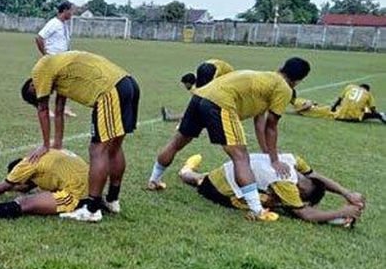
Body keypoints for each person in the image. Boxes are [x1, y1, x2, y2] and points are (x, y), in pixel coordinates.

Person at [147, 57, 311, 222]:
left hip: (200, 96)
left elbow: (259, 122)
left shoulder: (266, 79)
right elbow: (271, 126)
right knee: (241, 157)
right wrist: (275, 160)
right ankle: (257, 210)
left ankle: (154, 180)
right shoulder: (284, 88)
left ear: (281, 67)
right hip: (220, 103)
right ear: (298, 81)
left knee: (177, 142)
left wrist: (267, 153)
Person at [20, 51, 140, 223]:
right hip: (128, 84)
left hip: (109, 90)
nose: (45, 96)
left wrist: (45, 145)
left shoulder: (40, 71)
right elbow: (59, 109)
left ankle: (92, 209)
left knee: (97, 150)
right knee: (114, 147)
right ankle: (112, 200)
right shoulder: (59, 71)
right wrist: (57, 144)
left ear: (33, 86)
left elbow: (43, 110)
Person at [177, 153, 365, 226]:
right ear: (299, 192)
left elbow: (317, 176)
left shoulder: (293, 160)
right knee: (197, 181)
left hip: (232, 169)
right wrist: (341, 212)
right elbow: (305, 214)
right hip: (221, 187)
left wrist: (347, 193)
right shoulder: (287, 186)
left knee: (203, 178)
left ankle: (190, 171)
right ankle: (185, 170)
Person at [0, 149, 92, 220]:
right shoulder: (44, 156)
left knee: (23, 203)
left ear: (20, 179)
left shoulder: (25, 166)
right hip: (94, 190)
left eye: (16, 186)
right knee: (39, 197)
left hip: (78, 196)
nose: (16, 189)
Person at [36, 1, 77, 118]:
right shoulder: (53, 23)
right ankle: (45, 108)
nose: (72, 14)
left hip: (63, 61)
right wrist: (45, 54)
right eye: (71, 11)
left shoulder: (64, 25)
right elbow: (39, 37)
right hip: (53, 60)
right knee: (49, 86)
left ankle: (64, 108)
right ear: (65, 10)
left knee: (64, 85)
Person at [162, 59, 235, 121]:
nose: (185, 86)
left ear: (188, 83)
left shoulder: (196, 88)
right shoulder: (202, 79)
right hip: (217, 68)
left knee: (196, 109)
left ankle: (171, 117)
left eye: (185, 84)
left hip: (219, 73)